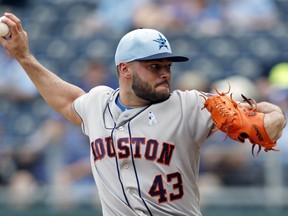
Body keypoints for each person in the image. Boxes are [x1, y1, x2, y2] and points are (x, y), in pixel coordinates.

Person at [0, 13, 286, 216]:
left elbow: (265, 128)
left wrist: (275, 118)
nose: (164, 73)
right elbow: (66, 100)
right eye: (153, 66)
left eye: (167, 66)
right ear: (124, 70)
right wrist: (24, 57)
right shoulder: (98, 104)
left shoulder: (191, 105)